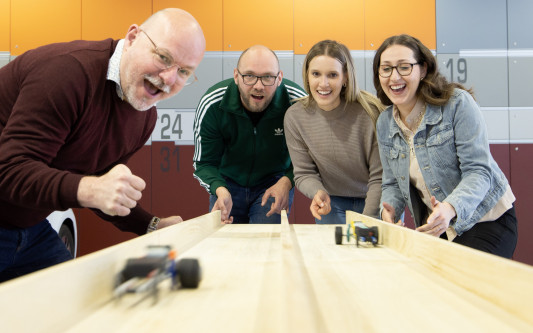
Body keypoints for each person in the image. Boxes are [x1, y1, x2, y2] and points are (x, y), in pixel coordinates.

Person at [0, 8, 206, 281]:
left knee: (70, 307)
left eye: (183, 71)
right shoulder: (67, 73)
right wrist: (89, 188)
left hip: (29, 227)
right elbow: (9, 170)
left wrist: (150, 225)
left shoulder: (144, 116)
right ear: (133, 37)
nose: (169, 79)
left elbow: (103, 184)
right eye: (163, 57)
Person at [373, 34, 517, 258]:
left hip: (487, 217)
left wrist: (450, 208)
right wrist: (388, 211)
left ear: (423, 69)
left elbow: (479, 172)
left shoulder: (457, 103)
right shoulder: (384, 123)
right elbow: (392, 183)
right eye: (386, 69)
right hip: (438, 226)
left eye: (404, 67)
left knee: (465, 287)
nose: (394, 77)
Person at [193, 45, 306, 224]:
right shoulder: (213, 103)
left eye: (268, 77)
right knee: (223, 245)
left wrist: (287, 182)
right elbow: (204, 163)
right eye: (250, 76)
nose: (258, 86)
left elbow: (309, 157)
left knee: (266, 245)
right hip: (226, 182)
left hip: (274, 181)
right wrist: (219, 189)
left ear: (279, 78)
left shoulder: (297, 103)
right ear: (236, 76)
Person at [284, 40, 384, 224]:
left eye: (332, 75)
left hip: (377, 197)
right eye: (316, 74)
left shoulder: (371, 112)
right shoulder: (295, 116)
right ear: (307, 75)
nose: (323, 83)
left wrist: (369, 221)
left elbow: (379, 177)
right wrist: (317, 192)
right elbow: (304, 173)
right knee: (333, 253)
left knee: (372, 252)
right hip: (332, 200)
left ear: (345, 77)